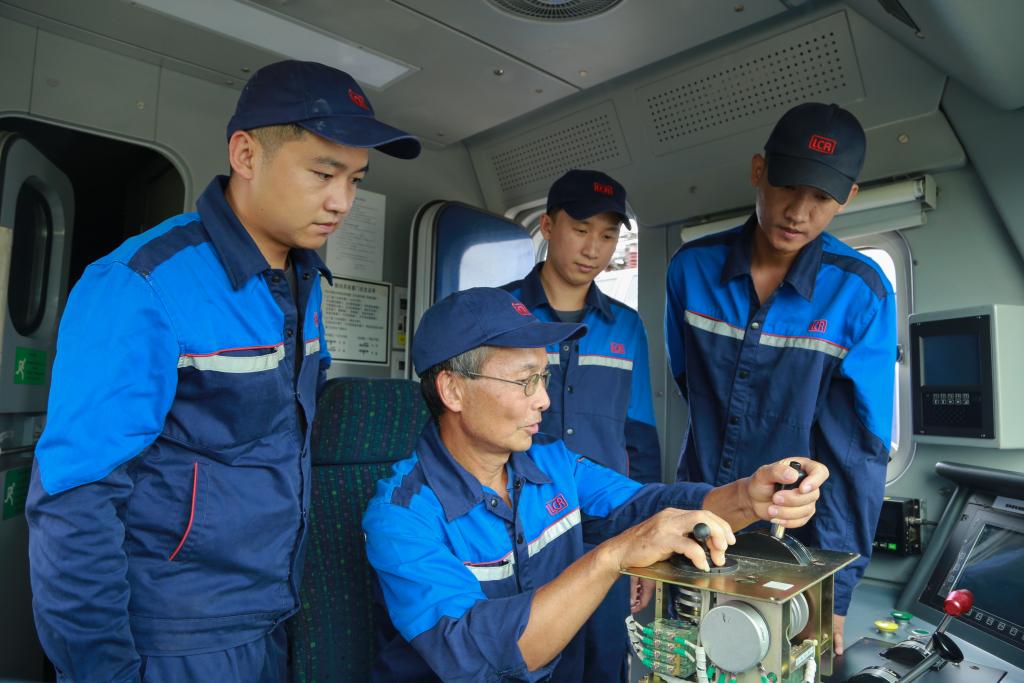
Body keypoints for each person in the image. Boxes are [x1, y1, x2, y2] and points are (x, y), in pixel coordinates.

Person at [26, 60, 420, 682]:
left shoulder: (304, 280)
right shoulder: (142, 285)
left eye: (355, 179)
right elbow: (75, 501)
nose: (342, 201)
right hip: (174, 634)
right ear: (245, 155)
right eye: (323, 173)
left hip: (270, 617)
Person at [363, 287, 829, 682]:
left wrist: (750, 497)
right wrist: (613, 556)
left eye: (544, 377)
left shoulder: (552, 463)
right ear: (453, 390)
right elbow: (483, 656)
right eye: (525, 382)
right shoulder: (400, 517)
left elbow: (646, 507)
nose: (544, 400)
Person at [664, 102, 897, 654]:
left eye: (821, 198)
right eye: (787, 186)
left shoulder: (861, 294)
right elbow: (689, 387)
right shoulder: (690, 270)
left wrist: (835, 593)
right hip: (700, 521)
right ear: (758, 170)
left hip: (797, 548)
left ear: (847, 198)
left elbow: (857, 453)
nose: (798, 212)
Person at [501, 169, 660, 681]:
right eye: (581, 229)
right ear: (548, 226)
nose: (594, 249)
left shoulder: (626, 327)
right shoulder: (502, 313)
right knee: (526, 662)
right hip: (519, 529)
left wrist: (647, 548)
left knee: (605, 664)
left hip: (606, 531)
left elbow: (640, 441)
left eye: (608, 235)